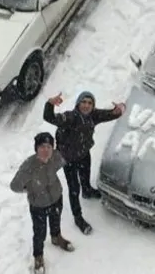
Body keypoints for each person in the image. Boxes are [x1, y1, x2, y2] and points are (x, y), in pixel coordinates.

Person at [43, 91, 126, 235]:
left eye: (90, 103)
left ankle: (87, 191)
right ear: (78, 104)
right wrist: (50, 103)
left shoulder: (93, 115)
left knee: (85, 177)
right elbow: (49, 117)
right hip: (67, 159)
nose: (86, 105)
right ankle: (78, 217)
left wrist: (120, 108)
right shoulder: (70, 117)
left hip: (83, 154)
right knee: (74, 188)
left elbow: (111, 114)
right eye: (84, 102)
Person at [10, 132, 74, 273]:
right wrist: (31, 189)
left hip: (56, 198)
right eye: (42, 147)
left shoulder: (56, 157)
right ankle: (38, 256)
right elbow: (15, 186)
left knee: (55, 221)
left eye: (49, 147)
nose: (46, 150)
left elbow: (64, 159)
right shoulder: (29, 166)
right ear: (36, 148)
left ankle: (56, 238)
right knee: (39, 233)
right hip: (38, 205)